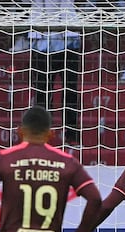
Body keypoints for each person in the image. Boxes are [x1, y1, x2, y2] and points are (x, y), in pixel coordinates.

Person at [26, 0, 84, 146]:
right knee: (42, 91)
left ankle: (71, 136)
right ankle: (42, 135)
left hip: (69, 38)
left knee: (70, 90)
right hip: (41, 39)